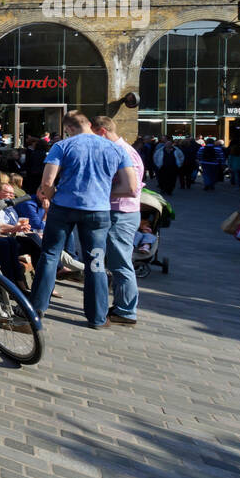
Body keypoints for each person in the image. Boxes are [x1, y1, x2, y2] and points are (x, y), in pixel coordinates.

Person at [28, 111, 138, 329]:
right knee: (95, 262)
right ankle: (97, 317)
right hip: (98, 211)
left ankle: (37, 310)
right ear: (89, 123)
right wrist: (103, 192)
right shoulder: (116, 148)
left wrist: (52, 196)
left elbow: (47, 182)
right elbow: (131, 187)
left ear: (69, 128)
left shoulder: (62, 146)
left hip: (64, 208)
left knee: (50, 255)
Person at [94, 116, 144, 325]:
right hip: (119, 212)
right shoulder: (122, 150)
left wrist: (99, 193)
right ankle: (123, 306)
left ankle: (125, 311)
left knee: (120, 264)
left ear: (102, 132)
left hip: (121, 214)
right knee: (117, 263)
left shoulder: (124, 152)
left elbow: (130, 189)